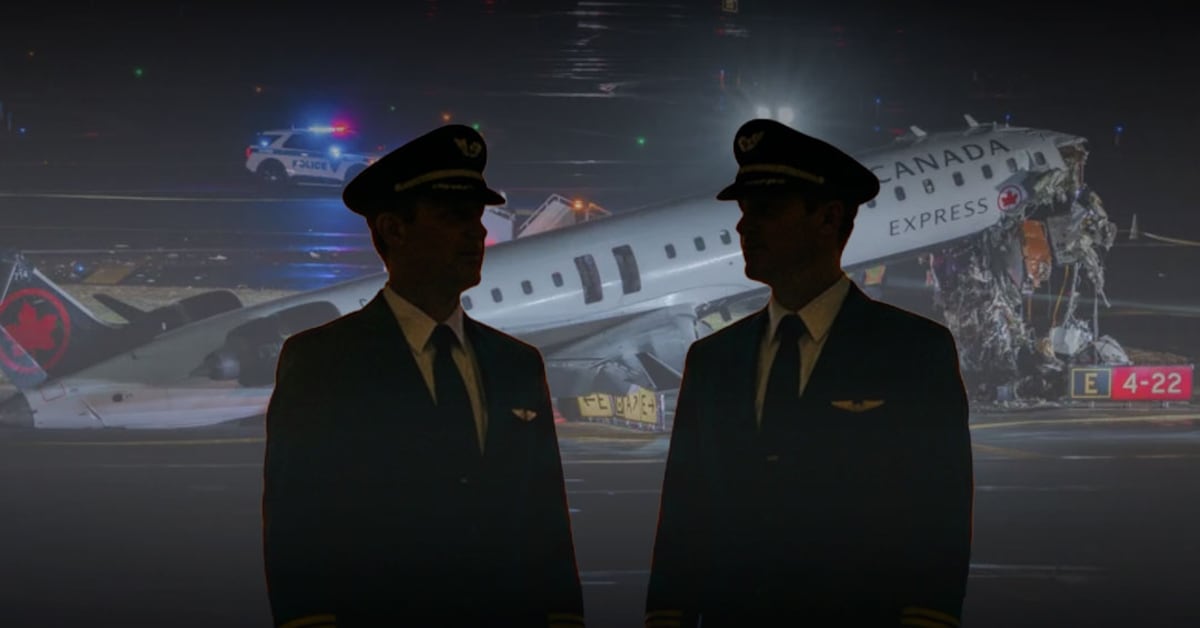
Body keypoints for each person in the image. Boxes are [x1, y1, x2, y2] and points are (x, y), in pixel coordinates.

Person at [644, 119, 973, 627]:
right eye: (744, 211)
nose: (744, 228)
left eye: (767, 210)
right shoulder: (711, 360)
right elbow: (685, 515)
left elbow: (938, 512)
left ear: (829, 218)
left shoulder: (912, 353)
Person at [262, 124, 585, 628]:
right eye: (454, 216)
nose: (477, 233)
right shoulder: (323, 363)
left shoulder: (518, 364)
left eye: (476, 216)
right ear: (394, 230)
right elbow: (297, 527)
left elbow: (545, 522)